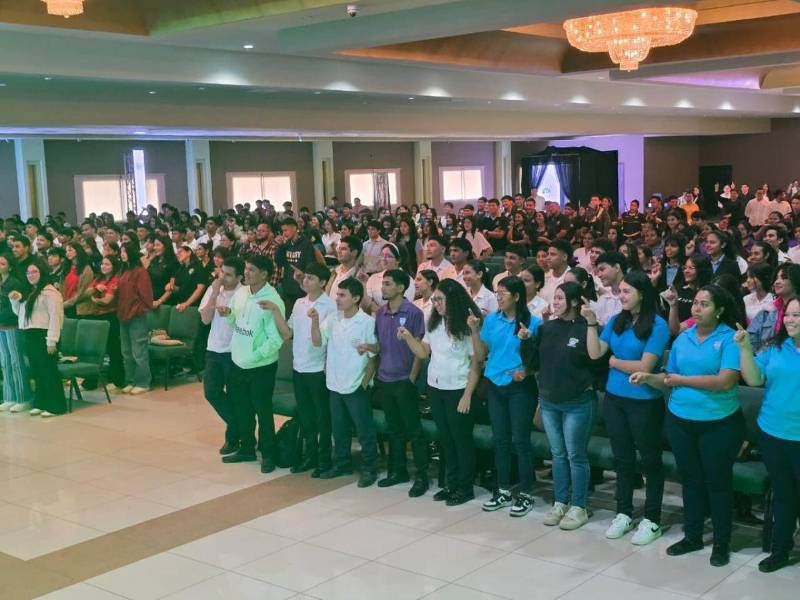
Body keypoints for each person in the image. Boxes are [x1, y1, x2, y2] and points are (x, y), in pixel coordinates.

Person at [631, 284, 742, 567]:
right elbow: (669, 377)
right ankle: (693, 535)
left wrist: (681, 381)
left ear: (719, 310)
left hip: (718, 423)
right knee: (690, 480)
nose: (697, 308)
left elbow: (725, 381)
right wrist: (649, 378)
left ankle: (721, 541)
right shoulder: (683, 338)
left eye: (705, 304)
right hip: (680, 420)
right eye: (695, 303)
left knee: (718, 482)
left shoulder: (729, 339)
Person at [584, 271, 671, 544]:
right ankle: (623, 512)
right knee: (622, 458)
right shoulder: (616, 320)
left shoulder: (657, 325)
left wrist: (614, 362)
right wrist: (590, 324)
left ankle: (652, 518)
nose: (620, 296)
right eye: (619, 291)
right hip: (615, 398)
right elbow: (595, 353)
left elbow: (645, 366)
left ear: (642, 294)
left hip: (644, 401)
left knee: (650, 460)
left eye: (626, 292)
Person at [399, 278, 481, 506]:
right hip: (436, 387)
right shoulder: (434, 322)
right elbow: (423, 352)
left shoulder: (467, 325)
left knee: (460, 440)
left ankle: (465, 487)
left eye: (440, 300)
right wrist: (408, 338)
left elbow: (476, 363)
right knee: (445, 439)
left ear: (452, 300)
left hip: (458, 389)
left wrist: (467, 395)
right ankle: (450, 484)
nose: (436, 304)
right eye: (434, 300)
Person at [735, 297, 800, 573]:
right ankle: (781, 549)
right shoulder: (776, 347)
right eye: (788, 314)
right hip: (773, 433)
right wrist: (745, 349)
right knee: (784, 495)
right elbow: (753, 379)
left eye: (797, 315)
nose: (790, 320)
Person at [470, 275, 541, 518]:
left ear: (517, 296)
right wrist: (474, 331)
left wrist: (526, 371)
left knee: (520, 440)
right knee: (500, 439)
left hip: (520, 387)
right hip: (495, 385)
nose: (498, 297)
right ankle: (502, 490)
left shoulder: (533, 323)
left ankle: (526, 492)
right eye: (497, 293)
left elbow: (538, 360)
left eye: (503, 293)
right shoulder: (492, 319)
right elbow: (481, 354)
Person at [532, 283, 596, 530]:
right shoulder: (547, 327)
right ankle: (560, 501)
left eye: (560, 298)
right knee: (557, 454)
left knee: (575, 455)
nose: (555, 302)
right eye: (554, 298)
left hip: (577, 402)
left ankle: (579, 506)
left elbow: (595, 363)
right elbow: (536, 361)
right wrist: (526, 340)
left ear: (574, 302)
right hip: (549, 400)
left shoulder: (585, 328)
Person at [266, 263, 337, 476]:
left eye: (311, 278)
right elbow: (288, 333)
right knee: (305, 415)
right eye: (305, 277)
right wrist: (275, 311)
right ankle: (310, 455)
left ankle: (325, 458)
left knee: (322, 417)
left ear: (322, 282)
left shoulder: (330, 306)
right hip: (299, 367)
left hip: (319, 369)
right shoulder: (299, 303)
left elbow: (325, 341)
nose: (305, 281)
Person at [311, 277, 379, 487]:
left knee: (364, 430)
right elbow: (317, 341)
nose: (338, 298)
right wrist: (314, 321)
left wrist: (364, 382)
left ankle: (369, 468)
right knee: (338, 428)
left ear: (356, 298)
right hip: (334, 383)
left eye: (342, 295)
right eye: (337, 294)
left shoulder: (367, 322)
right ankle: (342, 464)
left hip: (356, 384)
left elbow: (374, 356)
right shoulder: (333, 318)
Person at [221, 255, 284, 474]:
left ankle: (268, 454)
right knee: (242, 409)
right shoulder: (241, 293)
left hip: (261, 367)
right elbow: (236, 320)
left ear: (264, 274)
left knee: (263, 411)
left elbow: (276, 339)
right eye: (246, 269)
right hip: (238, 362)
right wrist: (228, 314)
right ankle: (247, 447)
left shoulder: (272, 300)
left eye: (251, 270)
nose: (246, 273)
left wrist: (255, 356)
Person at [372, 269, 428, 496]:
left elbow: (419, 349)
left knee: (414, 430)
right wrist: (368, 348)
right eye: (383, 283)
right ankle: (398, 471)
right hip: (385, 378)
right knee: (394, 429)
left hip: (405, 379)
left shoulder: (414, 312)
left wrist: (412, 378)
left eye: (388, 283)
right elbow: (380, 344)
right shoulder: (381, 313)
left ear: (401, 288)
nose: (382, 287)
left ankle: (422, 476)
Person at [198, 256, 243, 457]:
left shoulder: (244, 294)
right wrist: (215, 293)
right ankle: (238, 424)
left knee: (235, 396)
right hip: (214, 349)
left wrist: (231, 313)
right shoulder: (213, 289)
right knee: (211, 391)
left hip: (235, 352)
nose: (223, 277)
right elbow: (205, 319)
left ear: (239, 277)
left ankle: (233, 438)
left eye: (229, 275)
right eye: (222, 272)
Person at [9, 261, 65, 417]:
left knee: (48, 370)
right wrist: (15, 300)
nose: (31, 275)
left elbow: (56, 317)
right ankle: (41, 403)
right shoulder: (30, 292)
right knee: (37, 371)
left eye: (34, 272)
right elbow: (20, 314)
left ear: (42, 273)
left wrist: (52, 340)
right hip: (30, 334)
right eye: (28, 272)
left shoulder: (50, 292)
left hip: (44, 335)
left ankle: (56, 406)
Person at [117, 242, 153, 395]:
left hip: (137, 315)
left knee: (139, 351)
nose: (122, 254)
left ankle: (143, 382)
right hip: (123, 314)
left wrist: (140, 309)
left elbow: (146, 295)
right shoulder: (124, 271)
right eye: (121, 251)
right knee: (126, 352)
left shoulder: (140, 271)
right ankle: (130, 380)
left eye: (124, 251)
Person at [85, 256, 125, 389]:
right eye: (102, 264)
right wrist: (96, 288)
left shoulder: (116, 279)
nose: (103, 266)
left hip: (111, 317)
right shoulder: (98, 279)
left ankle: (116, 380)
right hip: (97, 316)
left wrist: (94, 299)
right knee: (94, 349)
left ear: (114, 266)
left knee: (113, 349)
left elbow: (107, 300)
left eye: (107, 264)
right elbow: (86, 293)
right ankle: (90, 381)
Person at [0, 254, 32, 413]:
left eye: (2, 263)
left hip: (13, 326)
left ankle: (23, 397)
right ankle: (9, 397)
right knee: (5, 362)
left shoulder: (14, 283)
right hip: (1, 326)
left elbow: (15, 308)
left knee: (16, 362)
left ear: (10, 267)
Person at [363, 244, 415, 314]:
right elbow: (367, 301)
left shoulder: (408, 280)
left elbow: (405, 305)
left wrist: (381, 313)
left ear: (398, 260)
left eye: (388, 256)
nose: (383, 259)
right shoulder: (373, 278)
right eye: (382, 255)